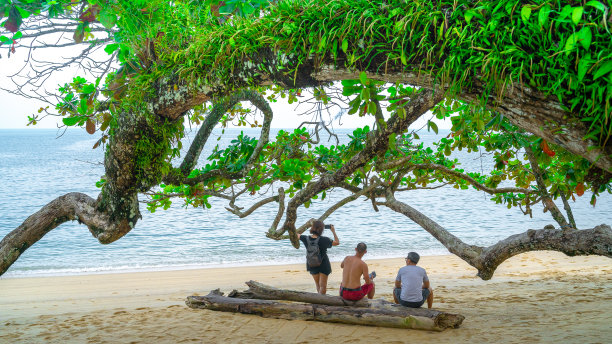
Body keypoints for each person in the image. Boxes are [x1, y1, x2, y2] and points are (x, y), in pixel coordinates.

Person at [299, 220, 339, 294]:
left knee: (318, 285)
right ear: (322, 230)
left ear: (312, 228)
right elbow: (337, 242)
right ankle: (322, 301)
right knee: (323, 286)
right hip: (323, 263)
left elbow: (296, 234)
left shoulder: (305, 238)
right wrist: (333, 231)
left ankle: (319, 300)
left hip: (311, 263)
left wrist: (307, 226)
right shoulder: (324, 239)